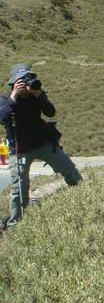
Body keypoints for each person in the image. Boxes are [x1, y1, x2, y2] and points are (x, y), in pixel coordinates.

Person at [0, 64, 82, 223]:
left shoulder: (36, 95)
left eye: (29, 80)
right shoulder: (5, 99)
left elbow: (50, 112)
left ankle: (84, 198)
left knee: (69, 169)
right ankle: (16, 222)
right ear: (13, 84)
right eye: (22, 81)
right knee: (19, 189)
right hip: (20, 150)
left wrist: (38, 95)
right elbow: (2, 117)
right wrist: (14, 97)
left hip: (42, 144)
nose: (27, 84)